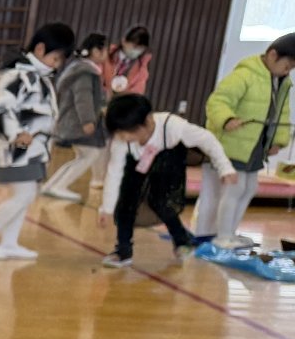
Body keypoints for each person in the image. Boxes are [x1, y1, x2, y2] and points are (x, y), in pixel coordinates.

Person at [0, 22, 74, 260]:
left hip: (35, 150)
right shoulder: (19, 75)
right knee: (23, 195)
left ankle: (9, 242)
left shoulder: (39, 77)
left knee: (27, 195)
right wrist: (16, 134)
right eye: (56, 58)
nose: (57, 65)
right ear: (40, 49)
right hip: (16, 150)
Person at [98, 94, 236, 269]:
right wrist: (106, 208)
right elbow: (114, 173)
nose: (124, 136)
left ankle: (182, 241)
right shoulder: (122, 142)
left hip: (168, 159)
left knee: (161, 202)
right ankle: (123, 251)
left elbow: (208, 140)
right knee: (126, 203)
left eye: (129, 131)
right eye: (119, 133)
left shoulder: (173, 126)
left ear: (147, 121)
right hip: (136, 163)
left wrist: (225, 168)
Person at [195, 31, 295, 246]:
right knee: (234, 189)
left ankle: (229, 233)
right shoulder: (245, 74)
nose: (288, 71)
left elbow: (282, 113)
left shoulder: (282, 83)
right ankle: (221, 237)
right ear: (273, 55)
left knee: (249, 189)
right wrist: (227, 118)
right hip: (231, 144)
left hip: (254, 146)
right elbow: (217, 101)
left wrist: (278, 140)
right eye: (287, 66)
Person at [42, 31, 109, 203]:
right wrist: (87, 120)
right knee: (91, 155)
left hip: (70, 120)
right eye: (104, 50)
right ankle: (59, 186)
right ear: (95, 51)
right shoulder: (85, 72)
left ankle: (52, 185)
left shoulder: (78, 67)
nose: (107, 54)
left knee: (83, 156)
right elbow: (83, 97)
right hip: (77, 122)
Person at [103, 25, 153, 97]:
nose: (137, 51)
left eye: (141, 48)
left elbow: (137, 92)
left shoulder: (141, 68)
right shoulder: (104, 55)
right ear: (124, 41)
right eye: (135, 46)